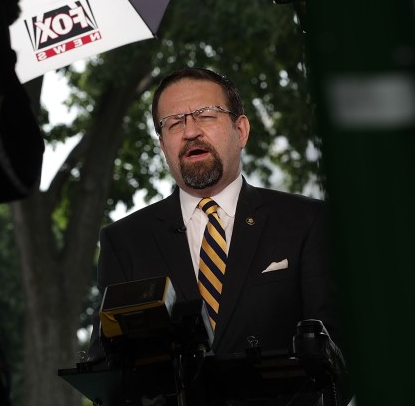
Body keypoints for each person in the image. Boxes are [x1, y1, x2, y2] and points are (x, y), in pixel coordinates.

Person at [87, 67, 347, 405]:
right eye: (174, 123)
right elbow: (105, 369)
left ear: (240, 130)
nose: (191, 131)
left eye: (205, 115)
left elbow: (342, 352)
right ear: (163, 144)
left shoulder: (306, 221)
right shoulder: (124, 242)